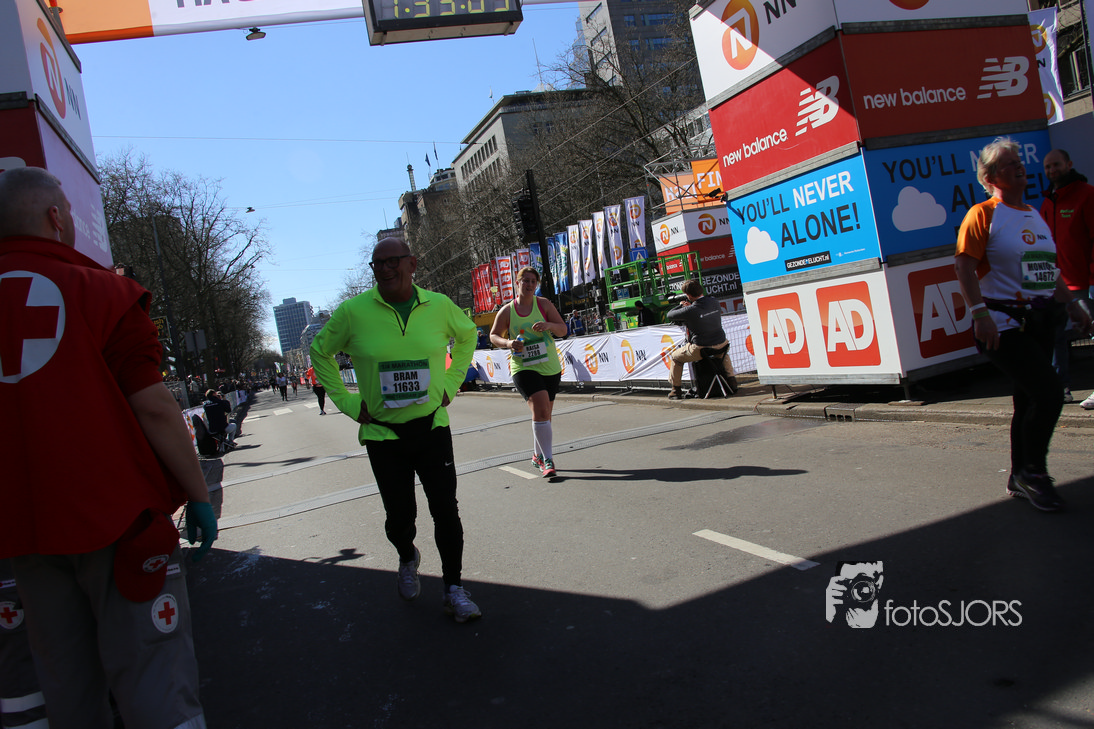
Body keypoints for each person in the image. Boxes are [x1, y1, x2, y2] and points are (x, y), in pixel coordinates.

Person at [0, 166, 217, 727]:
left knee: (65, 685)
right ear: (55, 217)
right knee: (153, 675)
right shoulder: (103, 293)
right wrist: (197, 495)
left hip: (22, 533)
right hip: (116, 521)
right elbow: (155, 408)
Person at [310, 238, 481, 623]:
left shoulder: (439, 305)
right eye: (377, 264)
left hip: (431, 427)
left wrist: (452, 382)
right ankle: (407, 555)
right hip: (383, 435)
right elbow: (320, 351)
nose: (385, 269)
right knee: (400, 517)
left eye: (393, 262)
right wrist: (347, 402)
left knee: (446, 510)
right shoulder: (353, 312)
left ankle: (454, 589)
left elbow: (468, 334)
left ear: (412, 264)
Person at [955, 137, 1092, 512]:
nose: (1020, 166)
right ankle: (1034, 472)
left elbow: (1048, 270)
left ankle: (1019, 474)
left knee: (1028, 398)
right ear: (990, 177)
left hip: (1041, 321)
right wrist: (979, 314)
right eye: (1009, 163)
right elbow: (964, 266)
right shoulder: (983, 214)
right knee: (1049, 393)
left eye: (1019, 161)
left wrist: (1074, 305)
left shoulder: (1033, 213)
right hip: (1003, 325)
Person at [489, 267, 568, 478]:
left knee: (545, 415)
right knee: (541, 410)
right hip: (523, 366)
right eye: (525, 280)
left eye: (533, 281)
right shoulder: (507, 311)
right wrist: (508, 343)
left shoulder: (544, 305)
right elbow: (493, 335)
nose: (530, 284)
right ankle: (548, 461)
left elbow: (563, 330)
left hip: (549, 366)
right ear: (518, 283)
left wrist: (548, 325)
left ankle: (537, 454)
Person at [1040, 148, 1094, 407]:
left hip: (1084, 281)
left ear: (1069, 164)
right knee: (1056, 336)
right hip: (1057, 284)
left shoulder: (1087, 194)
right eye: (1048, 167)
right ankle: (1060, 387)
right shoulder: (1047, 202)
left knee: (1092, 332)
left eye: (1056, 165)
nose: (1052, 170)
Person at [664, 280, 737, 400]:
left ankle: (676, 390)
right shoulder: (714, 301)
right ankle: (732, 381)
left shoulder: (690, 310)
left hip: (701, 348)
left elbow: (670, 314)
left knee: (675, 357)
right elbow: (702, 310)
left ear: (688, 295)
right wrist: (690, 306)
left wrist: (681, 305)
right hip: (722, 343)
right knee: (722, 354)